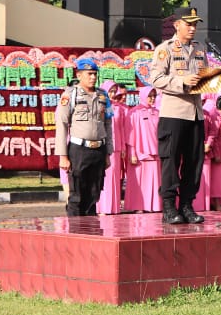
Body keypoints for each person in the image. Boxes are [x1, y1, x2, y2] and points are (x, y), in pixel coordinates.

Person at [148, 8, 208, 224]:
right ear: (176, 25)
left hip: (196, 115)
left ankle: (187, 205)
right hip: (174, 113)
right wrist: (182, 82)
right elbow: (155, 78)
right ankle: (169, 207)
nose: (193, 28)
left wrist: (210, 81)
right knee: (171, 162)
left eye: (195, 24)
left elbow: (204, 76)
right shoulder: (166, 49)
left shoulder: (200, 49)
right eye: (188, 24)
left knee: (194, 163)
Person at [54, 58, 112, 217]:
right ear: (79, 75)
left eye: (95, 74)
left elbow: (108, 124)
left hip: (99, 150)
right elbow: (62, 125)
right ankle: (75, 236)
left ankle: (91, 234)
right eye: (89, 74)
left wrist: (108, 153)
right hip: (78, 150)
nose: (93, 77)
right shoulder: (70, 95)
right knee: (76, 196)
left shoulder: (102, 95)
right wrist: (63, 156)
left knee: (94, 195)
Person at [125, 87, 161, 213]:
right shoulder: (134, 112)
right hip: (140, 153)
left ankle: (153, 206)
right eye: (149, 95)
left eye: (154, 96)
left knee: (155, 180)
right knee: (139, 182)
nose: (152, 98)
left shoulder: (157, 112)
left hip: (155, 152)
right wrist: (132, 153)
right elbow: (130, 134)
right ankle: (138, 206)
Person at [97, 80, 129, 215]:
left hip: (115, 148)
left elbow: (121, 129)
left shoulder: (118, 108)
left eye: (113, 91)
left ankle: (113, 207)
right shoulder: (99, 105)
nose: (112, 94)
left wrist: (122, 147)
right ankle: (101, 207)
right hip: (102, 146)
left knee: (114, 178)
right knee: (102, 177)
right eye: (110, 91)